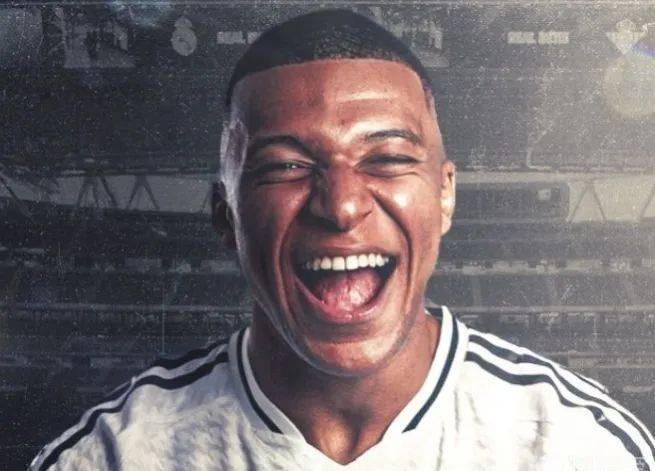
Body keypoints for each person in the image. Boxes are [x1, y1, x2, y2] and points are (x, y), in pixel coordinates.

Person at [31, 9, 654, 470]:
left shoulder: (580, 448)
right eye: (286, 166)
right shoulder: (111, 456)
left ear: (445, 196)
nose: (342, 205)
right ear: (226, 215)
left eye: (388, 159)